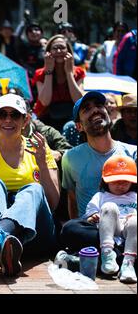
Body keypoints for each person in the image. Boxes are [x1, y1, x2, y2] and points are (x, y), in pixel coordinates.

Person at [0, 93, 60, 277]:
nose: (8, 119)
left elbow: (53, 204)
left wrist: (42, 164)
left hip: (34, 234)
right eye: (2, 115)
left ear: (25, 120)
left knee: (34, 189)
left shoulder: (39, 148)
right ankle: (3, 248)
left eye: (14, 115)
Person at [60, 91, 137, 254]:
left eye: (99, 105)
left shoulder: (133, 153)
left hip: (131, 225)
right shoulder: (70, 158)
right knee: (70, 229)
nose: (95, 110)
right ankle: (123, 254)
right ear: (79, 126)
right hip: (93, 228)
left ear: (108, 113)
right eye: (87, 109)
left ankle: (106, 254)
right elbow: (72, 198)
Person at [82, 155, 136, 283]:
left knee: (135, 221)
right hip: (109, 229)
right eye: (116, 181)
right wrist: (93, 217)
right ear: (105, 181)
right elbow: (89, 213)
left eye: (125, 182)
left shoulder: (134, 196)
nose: (120, 185)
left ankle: (128, 263)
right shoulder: (101, 196)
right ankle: (107, 254)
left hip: (131, 231)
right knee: (109, 207)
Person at [33, 34, 85, 132]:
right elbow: (45, 101)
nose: (59, 51)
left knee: (71, 128)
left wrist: (69, 73)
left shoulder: (78, 72)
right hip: (47, 116)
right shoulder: (40, 73)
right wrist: (49, 71)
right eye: (55, 48)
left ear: (68, 51)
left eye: (62, 48)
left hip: (71, 116)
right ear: (49, 52)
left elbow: (78, 99)